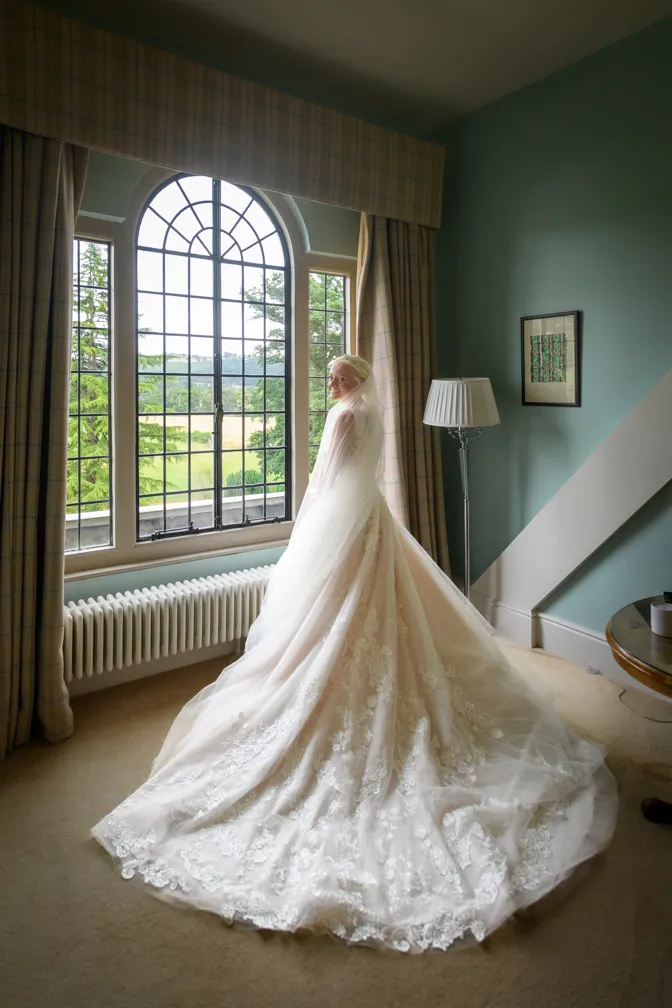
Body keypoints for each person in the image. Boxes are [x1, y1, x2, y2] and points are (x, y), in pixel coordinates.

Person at [92, 355, 618, 953]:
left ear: (357, 380)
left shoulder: (345, 418)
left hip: (346, 523)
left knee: (341, 619)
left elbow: (325, 481)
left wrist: (305, 524)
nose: (333, 383)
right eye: (333, 376)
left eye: (341, 376)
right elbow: (359, 477)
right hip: (371, 520)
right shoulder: (373, 414)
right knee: (373, 616)